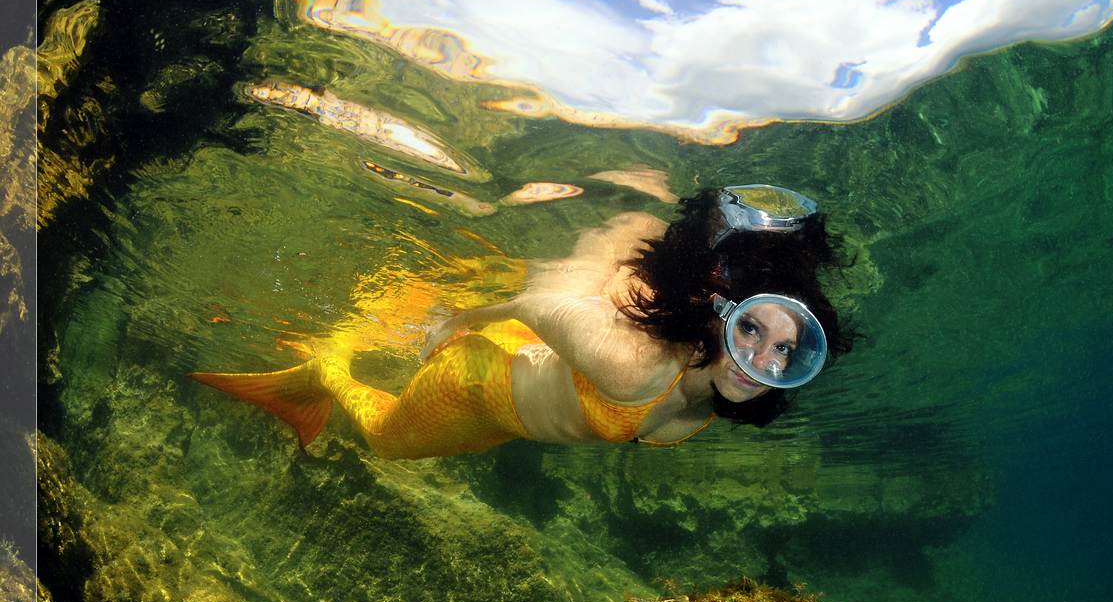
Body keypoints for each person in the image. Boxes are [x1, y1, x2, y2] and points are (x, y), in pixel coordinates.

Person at [192, 185, 854, 458]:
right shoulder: (637, 369)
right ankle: (320, 372)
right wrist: (458, 317)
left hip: (513, 404)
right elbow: (541, 305)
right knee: (386, 442)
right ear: (722, 318)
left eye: (785, 349)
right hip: (474, 383)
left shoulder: (708, 380)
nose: (762, 359)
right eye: (752, 332)